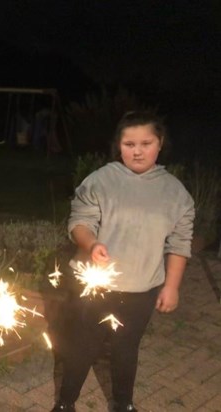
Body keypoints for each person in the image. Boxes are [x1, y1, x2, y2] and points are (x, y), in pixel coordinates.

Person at [52, 111, 195, 412]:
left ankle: (123, 404)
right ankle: (65, 403)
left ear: (160, 143)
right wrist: (92, 244)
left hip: (141, 289)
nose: (138, 150)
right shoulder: (102, 180)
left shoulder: (175, 193)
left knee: (126, 349)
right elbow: (79, 222)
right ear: (119, 145)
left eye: (146, 142)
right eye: (129, 143)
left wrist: (172, 286)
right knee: (82, 347)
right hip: (95, 286)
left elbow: (180, 243)